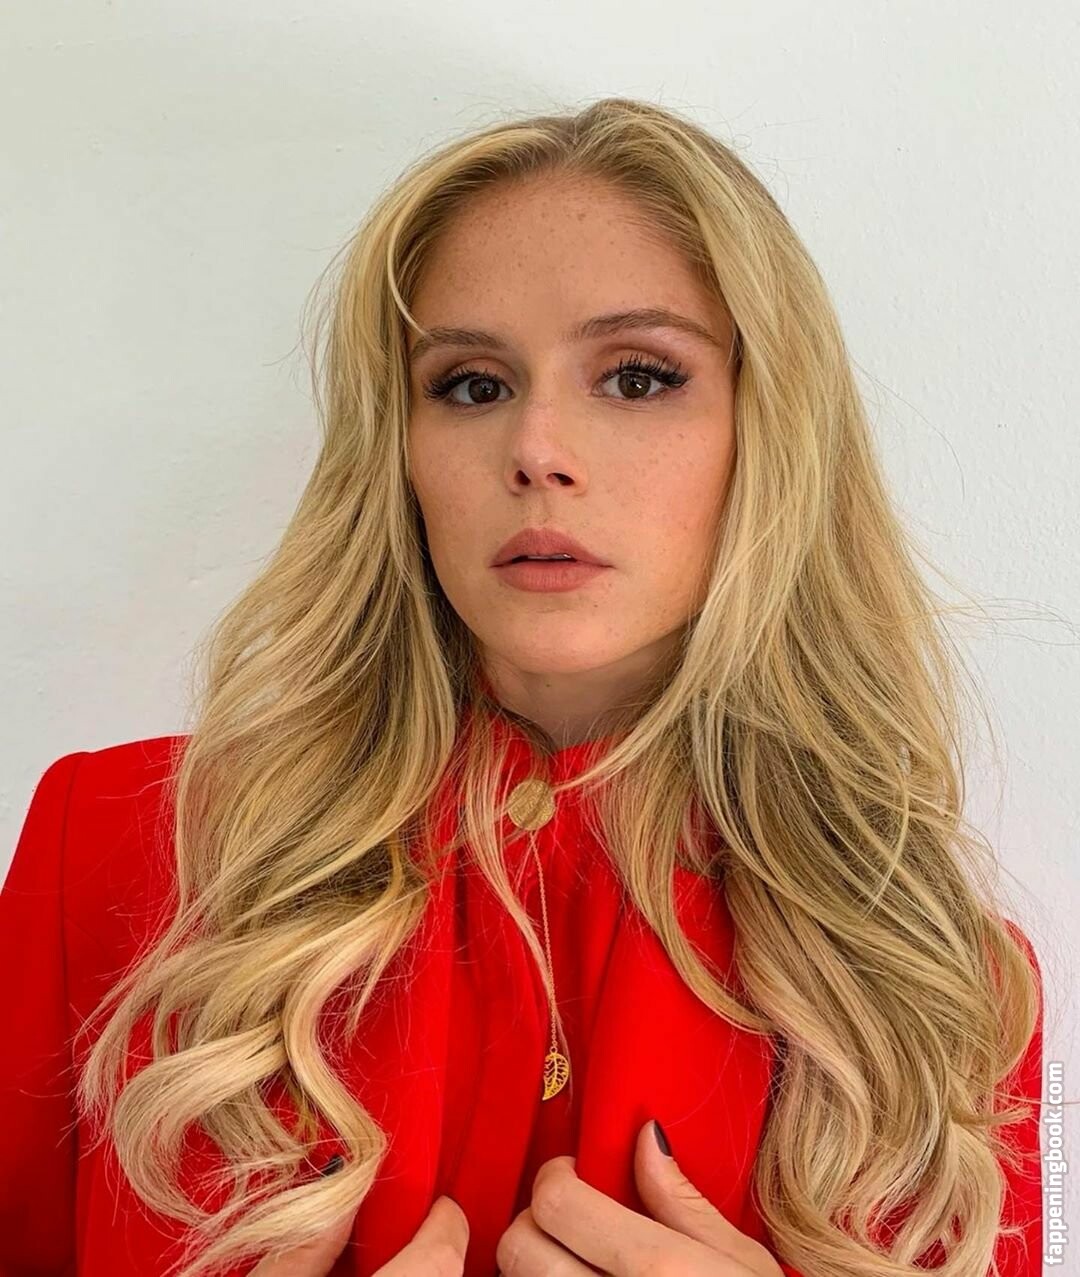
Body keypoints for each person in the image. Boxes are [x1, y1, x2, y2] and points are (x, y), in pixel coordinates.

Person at [0, 97, 1046, 1277]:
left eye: (639, 377)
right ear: (396, 449)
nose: (538, 449)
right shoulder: (117, 852)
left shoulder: (932, 980)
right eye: (471, 385)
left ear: (768, 431)